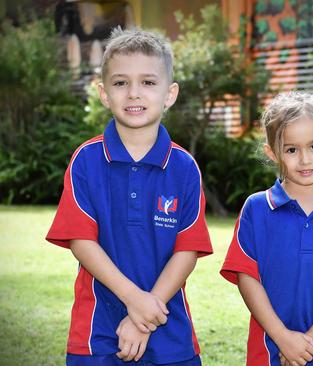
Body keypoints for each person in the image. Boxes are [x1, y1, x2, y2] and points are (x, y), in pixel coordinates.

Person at [46, 27, 212, 366]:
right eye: (121, 83)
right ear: (104, 93)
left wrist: (146, 311)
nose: (134, 93)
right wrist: (135, 300)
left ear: (170, 93)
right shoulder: (86, 160)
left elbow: (187, 250)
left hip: (169, 331)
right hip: (97, 331)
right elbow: (81, 241)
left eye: (149, 82)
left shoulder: (184, 167)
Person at [220, 91, 313, 366]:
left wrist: (311, 340)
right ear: (272, 152)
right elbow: (246, 278)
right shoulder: (256, 208)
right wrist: (283, 337)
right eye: (291, 149)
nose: (304, 159)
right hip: (270, 352)